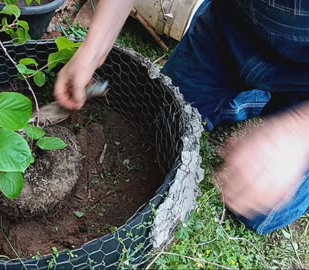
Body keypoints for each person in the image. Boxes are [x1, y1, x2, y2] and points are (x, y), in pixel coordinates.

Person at [54, 0, 309, 235]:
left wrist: (296, 133)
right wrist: (93, 50)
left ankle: (278, 105)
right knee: (161, 119)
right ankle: (254, 101)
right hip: (230, 30)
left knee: (261, 211)